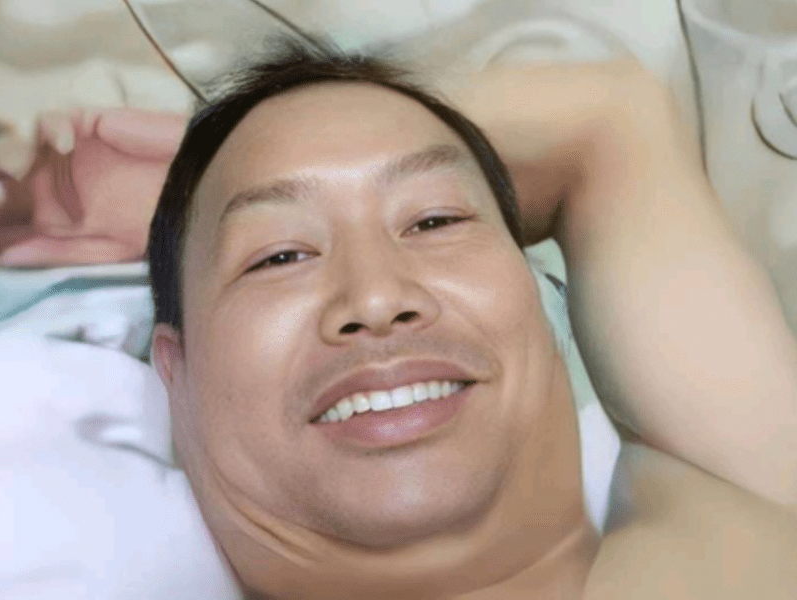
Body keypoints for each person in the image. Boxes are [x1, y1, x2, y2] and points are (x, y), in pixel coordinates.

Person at [148, 37, 797, 599]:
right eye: (279, 256)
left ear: (543, 298)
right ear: (174, 373)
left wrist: (175, 167)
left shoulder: (748, 515)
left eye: (435, 220)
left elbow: (610, 115)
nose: (376, 298)